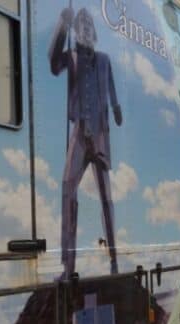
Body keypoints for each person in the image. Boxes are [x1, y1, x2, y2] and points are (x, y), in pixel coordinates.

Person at [49, 7, 123, 277]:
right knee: (68, 189)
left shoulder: (104, 60)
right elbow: (53, 63)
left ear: (95, 33)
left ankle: (114, 260)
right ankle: (68, 267)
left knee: (106, 199)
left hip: (101, 135)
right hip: (80, 133)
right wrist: (61, 25)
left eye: (89, 27)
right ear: (77, 33)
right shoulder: (72, 57)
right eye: (81, 28)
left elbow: (111, 85)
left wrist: (116, 108)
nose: (86, 31)